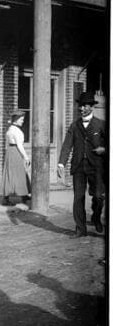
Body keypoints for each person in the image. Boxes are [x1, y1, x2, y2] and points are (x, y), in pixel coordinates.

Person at [57, 91, 105, 237]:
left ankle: (96, 217)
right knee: (78, 198)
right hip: (78, 166)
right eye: (81, 106)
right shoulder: (74, 125)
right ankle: (80, 229)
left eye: (85, 106)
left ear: (91, 107)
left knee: (98, 196)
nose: (82, 108)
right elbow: (66, 145)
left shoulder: (101, 124)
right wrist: (61, 164)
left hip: (96, 167)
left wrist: (104, 149)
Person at [0, 109, 31, 206]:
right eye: (21, 119)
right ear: (16, 119)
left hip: (10, 152)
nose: (22, 121)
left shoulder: (9, 130)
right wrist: (26, 157)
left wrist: (8, 155)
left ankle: (21, 195)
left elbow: (6, 145)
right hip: (16, 152)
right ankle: (21, 195)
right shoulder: (17, 131)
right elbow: (20, 146)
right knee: (20, 172)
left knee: (10, 173)